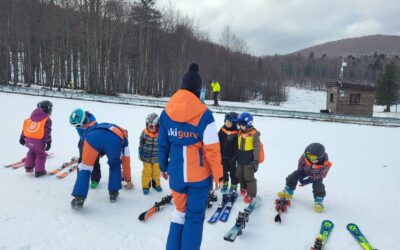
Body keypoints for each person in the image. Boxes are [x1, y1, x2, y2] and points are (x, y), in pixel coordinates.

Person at [158, 63, 223, 250]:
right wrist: (218, 174)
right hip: (199, 178)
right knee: (194, 218)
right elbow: (212, 149)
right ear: (198, 89)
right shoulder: (205, 114)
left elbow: (163, 143)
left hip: (176, 174)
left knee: (179, 214)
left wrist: (163, 166)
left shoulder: (166, 112)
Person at [70, 122, 134, 209]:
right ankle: (113, 192)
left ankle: (79, 199)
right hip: (113, 140)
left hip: (92, 137)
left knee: (85, 167)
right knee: (114, 165)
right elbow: (126, 160)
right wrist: (128, 179)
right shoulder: (123, 137)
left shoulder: (104, 125)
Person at [277, 143, 332, 213]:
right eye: (308, 154)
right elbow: (300, 165)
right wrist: (299, 175)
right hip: (305, 171)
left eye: (312, 157)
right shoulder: (305, 157)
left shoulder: (325, 164)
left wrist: (309, 180)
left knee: (318, 185)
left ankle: (318, 201)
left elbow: (322, 174)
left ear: (319, 157)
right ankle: (288, 191)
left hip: (316, 175)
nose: (309, 157)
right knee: (293, 176)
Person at [69, 108, 101, 189]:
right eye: (76, 126)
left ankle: (95, 179)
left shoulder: (94, 126)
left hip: (93, 143)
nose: (77, 127)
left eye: (79, 125)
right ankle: (81, 178)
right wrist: (82, 140)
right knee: (82, 160)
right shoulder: (79, 121)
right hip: (83, 141)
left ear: (84, 121)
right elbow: (80, 132)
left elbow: (96, 137)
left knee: (94, 162)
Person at [19, 100, 53, 177]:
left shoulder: (30, 118)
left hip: (28, 140)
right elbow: (47, 132)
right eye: (50, 109)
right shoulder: (47, 120)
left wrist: (22, 137)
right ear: (46, 109)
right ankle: (40, 171)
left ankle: (28, 167)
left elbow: (25, 128)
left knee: (31, 152)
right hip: (39, 142)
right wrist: (49, 142)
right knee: (41, 155)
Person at [236, 112, 261, 203]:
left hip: (249, 159)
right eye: (239, 124)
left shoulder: (254, 134)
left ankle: (251, 194)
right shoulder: (239, 132)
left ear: (248, 124)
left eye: (242, 125)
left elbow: (257, 147)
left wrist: (255, 160)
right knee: (239, 174)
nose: (240, 126)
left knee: (249, 177)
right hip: (240, 158)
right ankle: (243, 187)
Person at [139, 112, 162, 195]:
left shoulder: (160, 134)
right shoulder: (145, 133)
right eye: (150, 126)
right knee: (147, 172)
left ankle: (156, 184)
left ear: (158, 125)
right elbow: (141, 143)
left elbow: (164, 145)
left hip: (157, 157)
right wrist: (140, 152)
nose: (151, 129)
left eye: (153, 126)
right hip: (146, 157)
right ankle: (146, 186)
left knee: (156, 172)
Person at [218, 112, 239, 193]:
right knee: (224, 171)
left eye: (229, 123)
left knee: (233, 173)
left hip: (232, 157)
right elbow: (218, 141)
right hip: (223, 156)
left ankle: (234, 185)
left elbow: (237, 146)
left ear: (234, 124)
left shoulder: (236, 133)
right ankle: (225, 183)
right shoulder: (222, 130)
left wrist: (235, 156)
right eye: (226, 122)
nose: (227, 124)